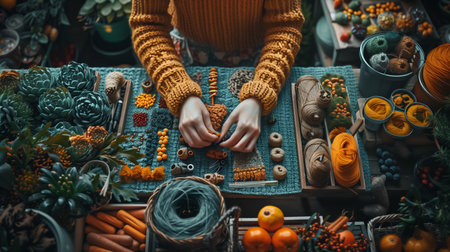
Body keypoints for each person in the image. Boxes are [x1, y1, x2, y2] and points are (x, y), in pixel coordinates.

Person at [129, 0, 304, 152]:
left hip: (261, 56)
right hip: (187, 53)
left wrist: (262, 91)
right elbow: (147, 23)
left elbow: (285, 25)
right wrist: (179, 90)